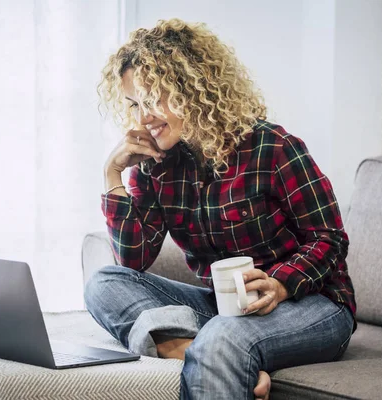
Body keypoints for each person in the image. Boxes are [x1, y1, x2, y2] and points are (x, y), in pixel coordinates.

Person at [85, 18, 356, 400]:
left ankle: (215, 350)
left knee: (223, 334)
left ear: (193, 90)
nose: (142, 117)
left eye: (153, 98)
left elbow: (329, 239)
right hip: (225, 307)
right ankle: (197, 353)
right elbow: (133, 262)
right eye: (134, 104)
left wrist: (279, 283)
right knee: (104, 283)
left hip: (312, 305)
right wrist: (113, 172)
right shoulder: (155, 163)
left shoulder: (274, 147)